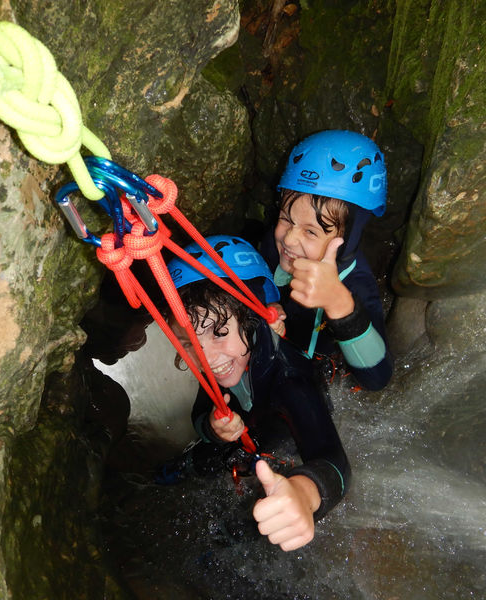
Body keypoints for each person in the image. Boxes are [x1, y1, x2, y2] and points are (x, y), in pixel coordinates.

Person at [164, 235, 351, 552]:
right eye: (188, 343)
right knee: (212, 454)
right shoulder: (215, 360)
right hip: (250, 429)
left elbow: (333, 460)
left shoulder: (289, 379)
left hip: (283, 435)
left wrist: (305, 494)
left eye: (219, 332)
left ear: (254, 318)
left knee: (245, 524)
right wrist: (212, 427)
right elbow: (199, 416)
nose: (205, 358)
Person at [261, 129, 393, 391]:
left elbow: (378, 379)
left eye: (311, 231)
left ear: (349, 238)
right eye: (286, 218)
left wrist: (339, 304)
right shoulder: (274, 244)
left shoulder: (357, 285)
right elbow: (259, 270)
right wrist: (269, 302)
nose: (288, 239)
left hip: (319, 375)